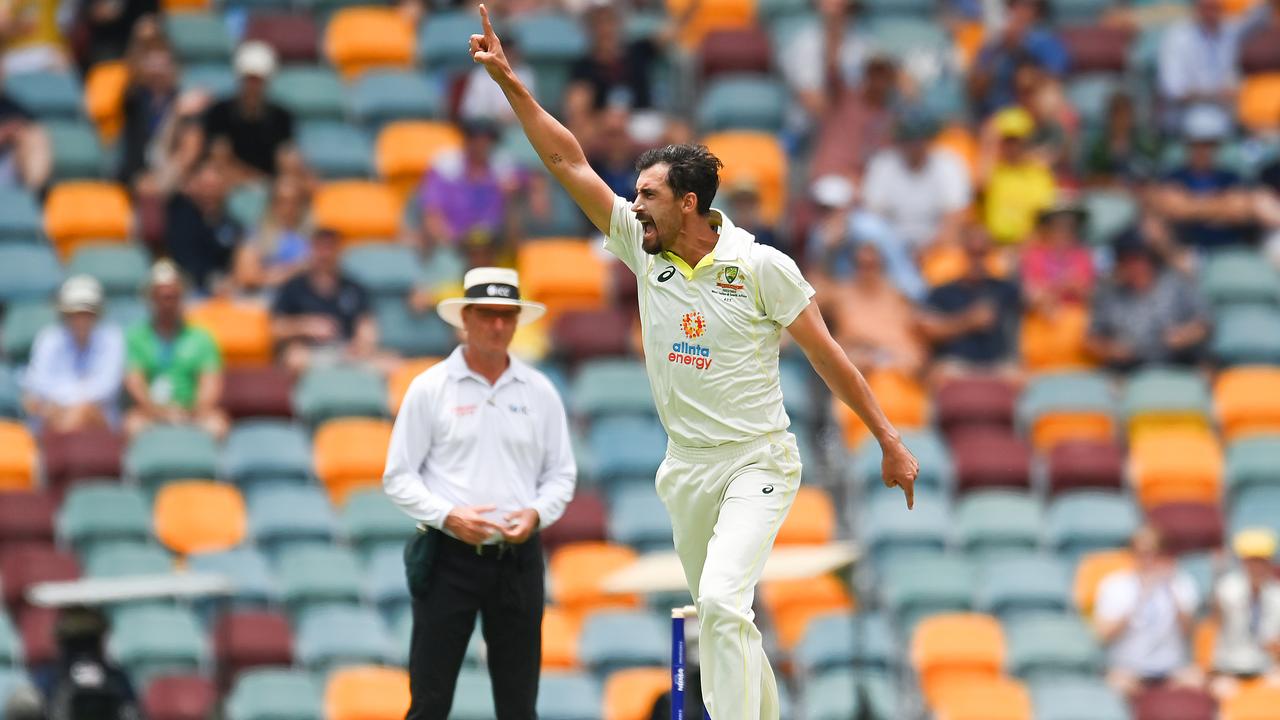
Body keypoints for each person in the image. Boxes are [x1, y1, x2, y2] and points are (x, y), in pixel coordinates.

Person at [467, 8, 918, 718]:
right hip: (687, 469)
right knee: (723, 616)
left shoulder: (762, 267)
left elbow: (829, 357)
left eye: (646, 196)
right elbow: (567, 161)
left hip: (758, 461)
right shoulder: (644, 253)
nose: (632, 206)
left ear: (689, 203)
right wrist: (511, 85)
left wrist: (889, 439)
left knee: (718, 602)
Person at [383, 266, 576, 720]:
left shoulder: (540, 391)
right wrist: (449, 516)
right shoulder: (431, 388)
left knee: (518, 703)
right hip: (449, 557)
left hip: (517, 558)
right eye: (487, 314)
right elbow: (398, 476)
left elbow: (561, 475)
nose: (497, 325)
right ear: (465, 318)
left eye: (506, 315)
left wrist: (535, 514)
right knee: (429, 700)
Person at [1094, 525, 1203, 699]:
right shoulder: (1114, 586)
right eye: (1143, 553)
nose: (1149, 559)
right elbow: (1104, 635)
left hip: (1171, 670)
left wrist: (1171, 592)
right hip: (1128, 670)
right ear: (1132, 553)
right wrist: (1140, 597)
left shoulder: (1180, 583)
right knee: (1113, 686)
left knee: (1197, 682)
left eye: (1155, 552)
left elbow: (1188, 632)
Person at [123, 260, 227, 438]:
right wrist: (159, 413)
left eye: (173, 296)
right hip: (150, 411)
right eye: (162, 297)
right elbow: (135, 383)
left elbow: (210, 383)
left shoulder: (201, 338)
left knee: (218, 425)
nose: (167, 303)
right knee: (132, 425)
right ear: (151, 299)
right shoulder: (135, 338)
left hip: (191, 410)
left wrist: (193, 413)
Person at [1085, 235, 1210, 371]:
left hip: (1178, 356)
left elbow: (1205, 323)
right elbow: (1091, 339)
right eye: (1127, 261)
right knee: (1108, 380)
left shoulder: (1176, 283)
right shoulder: (1108, 293)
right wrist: (1112, 349)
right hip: (1129, 363)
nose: (1135, 267)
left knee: (1206, 364)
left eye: (1139, 260)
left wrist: (1185, 335)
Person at [418, 118, 541, 252]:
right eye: (475, 139)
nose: (481, 145)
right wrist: (455, 243)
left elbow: (535, 185)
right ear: (467, 140)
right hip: (453, 247)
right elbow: (432, 215)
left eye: (487, 140)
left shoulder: (502, 167)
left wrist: (522, 193)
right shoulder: (445, 168)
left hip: (495, 247)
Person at [916, 224, 1022, 379]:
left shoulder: (1003, 288)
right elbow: (928, 329)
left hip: (997, 364)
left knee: (1021, 377)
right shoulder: (944, 291)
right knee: (938, 374)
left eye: (982, 253)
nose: (977, 259)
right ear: (962, 253)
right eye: (972, 253)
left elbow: (1033, 298)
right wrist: (967, 321)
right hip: (955, 364)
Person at [22, 275, 124, 432]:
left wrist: (68, 406)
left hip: (99, 420)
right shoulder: (48, 339)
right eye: (75, 313)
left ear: (97, 314)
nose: (81, 319)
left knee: (83, 412)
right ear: (64, 314)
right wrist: (65, 406)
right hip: (53, 414)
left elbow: (106, 388)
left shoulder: (112, 339)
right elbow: (38, 385)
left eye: (87, 313)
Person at [270, 228, 378, 374]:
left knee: (390, 364)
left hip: (345, 351)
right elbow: (276, 328)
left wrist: (362, 344)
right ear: (311, 251)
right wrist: (307, 326)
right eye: (320, 248)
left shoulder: (353, 287)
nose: (324, 255)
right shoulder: (294, 286)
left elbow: (366, 324)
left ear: (339, 252)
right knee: (295, 358)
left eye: (330, 248)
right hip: (309, 352)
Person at [1150, 104, 1256, 251]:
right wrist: (1220, 208)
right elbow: (1169, 206)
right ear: (1187, 144)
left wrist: (1189, 206)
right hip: (1187, 253)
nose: (1203, 150)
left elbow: (1239, 209)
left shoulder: (1230, 177)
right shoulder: (1174, 177)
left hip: (1228, 251)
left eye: (1209, 144)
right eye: (1197, 144)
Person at [862, 112, 972, 254]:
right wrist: (897, 252)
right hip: (890, 249)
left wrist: (928, 250)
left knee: (952, 259)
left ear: (929, 139)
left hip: (937, 248)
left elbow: (955, 218)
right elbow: (874, 216)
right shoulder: (883, 164)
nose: (915, 145)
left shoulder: (949, 164)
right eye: (908, 138)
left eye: (920, 138)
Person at [200, 40, 294, 181]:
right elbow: (219, 160)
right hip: (228, 181)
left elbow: (286, 160)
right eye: (249, 79)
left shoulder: (281, 116)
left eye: (258, 80)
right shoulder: (220, 112)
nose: (252, 86)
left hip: (269, 186)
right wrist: (255, 181)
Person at [33, 605, 140, 720]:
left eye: (89, 641)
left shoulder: (118, 678)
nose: (84, 651)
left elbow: (132, 712)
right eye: (76, 642)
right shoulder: (49, 679)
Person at [967, 0, 1068, 119]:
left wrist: (1030, 74)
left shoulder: (1043, 39)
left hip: (1031, 113)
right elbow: (975, 86)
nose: (1020, 11)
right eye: (1015, 5)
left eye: (1027, 5)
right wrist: (1002, 47)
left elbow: (1056, 76)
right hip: (994, 114)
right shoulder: (994, 43)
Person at [1210, 528, 1280, 697]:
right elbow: (1215, 620)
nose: (1256, 567)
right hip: (1229, 670)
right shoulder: (1227, 589)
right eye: (1252, 561)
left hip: (1264, 669)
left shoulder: (1276, 595)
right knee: (1223, 693)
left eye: (1261, 561)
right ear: (1243, 562)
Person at [1157, 0, 1243, 131]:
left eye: (1215, 8)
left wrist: (1201, 93)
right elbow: (1174, 89)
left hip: (1227, 120)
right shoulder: (1177, 36)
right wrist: (1216, 94)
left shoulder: (1233, 31)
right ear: (1196, 9)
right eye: (1206, 8)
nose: (1210, 14)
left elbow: (1237, 85)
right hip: (1185, 120)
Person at [978, 106, 1056, 247]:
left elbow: (1044, 219)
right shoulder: (992, 170)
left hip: (1028, 248)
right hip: (992, 247)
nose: (1012, 146)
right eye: (1007, 140)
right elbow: (980, 185)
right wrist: (989, 141)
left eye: (1017, 140)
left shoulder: (1039, 175)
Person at [164, 157, 242, 294]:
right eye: (206, 186)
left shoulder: (231, 223)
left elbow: (236, 257)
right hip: (192, 287)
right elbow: (184, 259)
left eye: (214, 187)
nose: (209, 193)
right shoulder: (181, 216)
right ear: (196, 187)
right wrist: (209, 280)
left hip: (228, 287)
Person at [233, 175, 312, 292]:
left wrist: (275, 272)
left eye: (295, 201)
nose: (288, 207)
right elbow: (246, 276)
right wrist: (294, 271)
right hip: (265, 297)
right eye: (282, 201)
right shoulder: (257, 234)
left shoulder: (311, 236)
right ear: (272, 203)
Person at [0, 74, 50, 191]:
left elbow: (30, 126)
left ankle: (31, 194)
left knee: (34, 136)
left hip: (8, 168)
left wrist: (14, 131)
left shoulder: (10, 104)